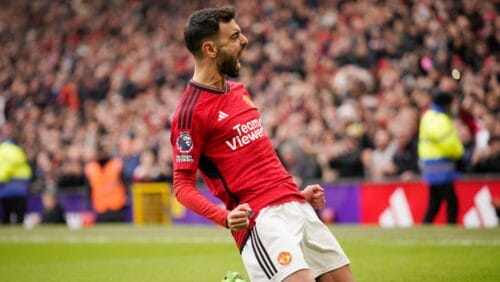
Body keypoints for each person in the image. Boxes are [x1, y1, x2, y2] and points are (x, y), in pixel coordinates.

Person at [171, 7, 354, 282]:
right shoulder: (190, 113)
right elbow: (182, 185)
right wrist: (224, 217)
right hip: (261, 221)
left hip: (296, 207)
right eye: (234, 36)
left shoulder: (238, 91)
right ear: (210, 49)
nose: (244, 40)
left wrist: (292, 194)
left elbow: (258, 159)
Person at [418, 92, 464, 224]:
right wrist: (460, 153)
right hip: (440, 164)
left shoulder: (428, 116)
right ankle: (451, 223)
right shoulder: (439, 118)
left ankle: (426, 225)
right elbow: (448, 142)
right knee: (451, 199)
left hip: (432, 163)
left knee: (435, 200)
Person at [84, 146, 127, 222]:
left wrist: (126, 196)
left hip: (117, 206)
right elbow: (88, 189)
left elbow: (125, 182)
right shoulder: (91, 168)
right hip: (101, 208)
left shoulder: (116, 165)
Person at [0, 123, 32, 224]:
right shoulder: (13, 149)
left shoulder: (4, 149)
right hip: (16, 187)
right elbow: (9, 165)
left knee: (7, 213)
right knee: (18, 215)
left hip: (8, 187)